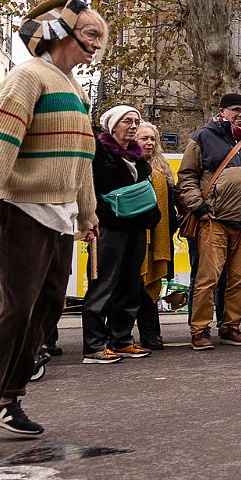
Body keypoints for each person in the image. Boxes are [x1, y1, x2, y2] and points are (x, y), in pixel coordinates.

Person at [0, 0, 103, 461]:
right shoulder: (28, 77)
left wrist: (87, 214)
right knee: (13, 312)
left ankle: (8, 398)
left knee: (47, 310)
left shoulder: (75, 88)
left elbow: (82, 159)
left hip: (59, 216)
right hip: (18, 211)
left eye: (101, 38)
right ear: (60, 32)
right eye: (90, 34)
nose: (97, 44)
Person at [178, 92, 241, 349]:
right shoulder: (202, 138)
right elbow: (187, 176)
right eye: (235, 109)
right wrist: (199, 208)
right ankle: (200, 330)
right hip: (214, 221)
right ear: (222, 112)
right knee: (207, 279)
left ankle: (231, 327)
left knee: (238, 279)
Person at [84, 103, 161, 363]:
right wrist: (101, 214)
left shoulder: (137, 157)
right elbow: (89, 189)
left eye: (136, 122)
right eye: (127, 121)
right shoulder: (98, 152)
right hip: (108, 228)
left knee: (130, 284)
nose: (133, 126)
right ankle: (94, 345)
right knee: (103, 284)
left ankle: (122, 339)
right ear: (112, 126)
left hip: (135, 227)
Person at [135, 121, 179, 352]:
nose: (150, 143)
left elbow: (172, 204)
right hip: (133, 236)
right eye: (144, 138)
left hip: (159, 236)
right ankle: (119, 335)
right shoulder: (127, 165)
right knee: (130, 287)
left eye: (153, 139)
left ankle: (151, 333)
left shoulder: (163, 169)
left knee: (151, 287)